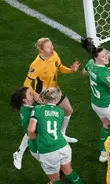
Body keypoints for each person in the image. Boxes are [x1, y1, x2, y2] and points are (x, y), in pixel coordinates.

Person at [14, 37, 80, 169]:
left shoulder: (54, 55)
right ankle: (19, 152)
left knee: (68, 110)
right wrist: (37, 95)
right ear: (41, 50)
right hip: (43, 96)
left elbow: (59, 67)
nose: (52, 48)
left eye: (52, 45)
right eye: (49, 47)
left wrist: (71, 70)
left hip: (54, 91)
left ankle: (62, 135)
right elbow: (27, 84)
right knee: (35, 127)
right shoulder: (35, 65)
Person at [27, 87, 92, 184]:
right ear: (57, 99)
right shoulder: (60, 112)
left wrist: (34, 138)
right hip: (63, 147)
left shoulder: (37, 109)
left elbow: (31, 129)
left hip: (48, 151)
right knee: (69, 171)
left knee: (55, 181)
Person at [10, 87, 71, 184]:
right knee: (57, 163)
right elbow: (31, 133)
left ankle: (55, 182)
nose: (33, 94)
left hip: (40, 145)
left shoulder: (26, 108)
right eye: (30, 94)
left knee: (59, 163)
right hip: (40, 147)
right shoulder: (31, 112)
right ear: (25, 100)